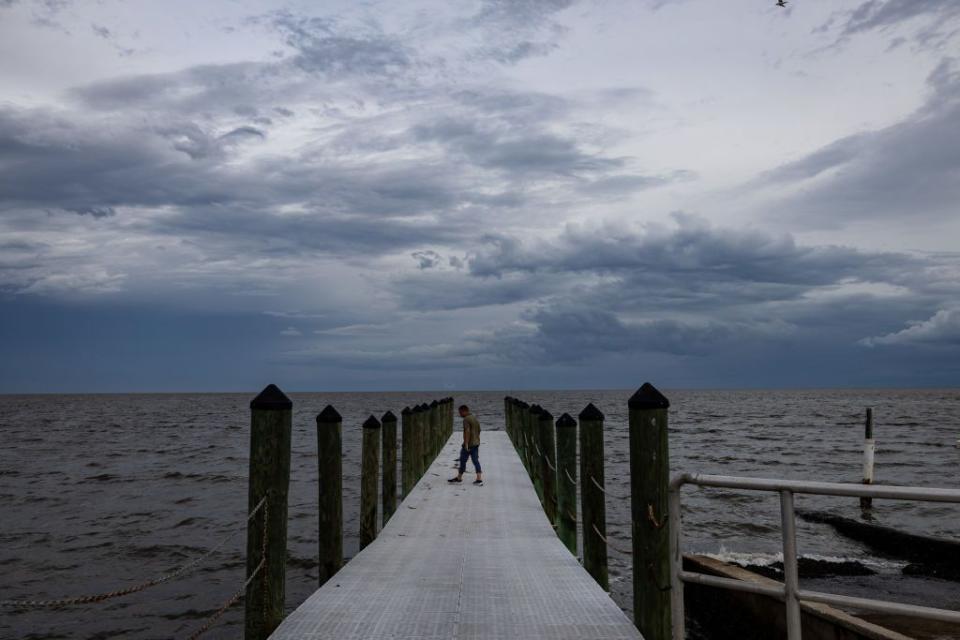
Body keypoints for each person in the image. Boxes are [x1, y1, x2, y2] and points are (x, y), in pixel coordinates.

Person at [448, 404, 483, 484]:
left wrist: (466, 444)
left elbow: (467, 431)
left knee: (463, 460)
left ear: (464, 411)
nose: (459, 414)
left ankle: (459, 478)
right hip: (476, 443)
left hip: (469, 445)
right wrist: (476, 439)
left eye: (460, 412)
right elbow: (479, 430)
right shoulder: (474, 418)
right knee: (475, 461)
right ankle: (479, 478)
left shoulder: (466, 419)